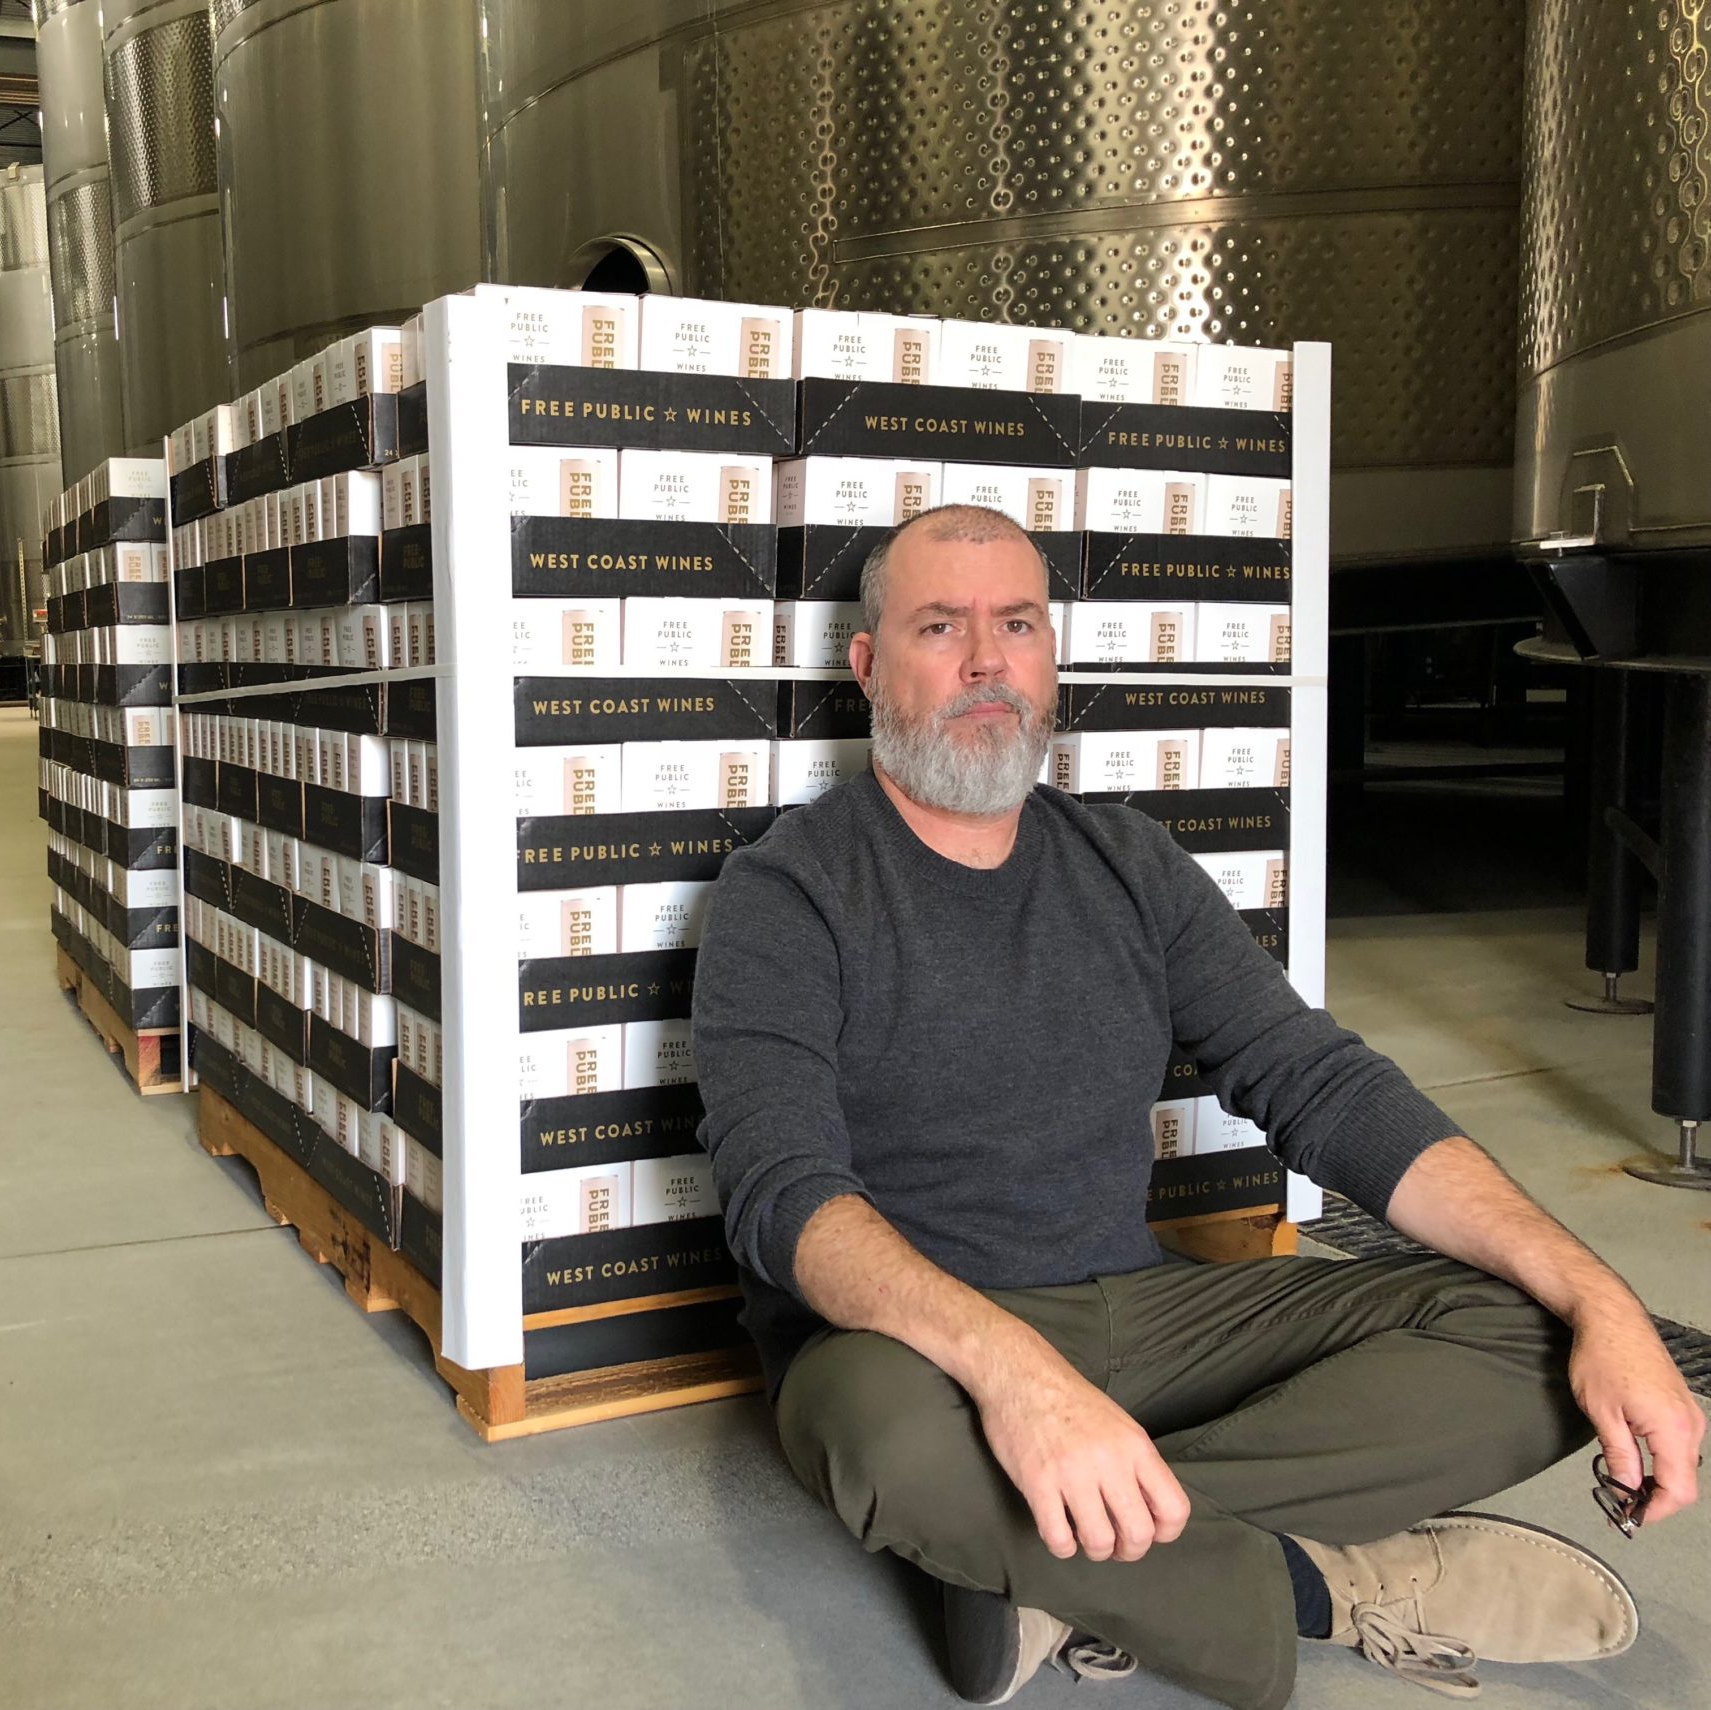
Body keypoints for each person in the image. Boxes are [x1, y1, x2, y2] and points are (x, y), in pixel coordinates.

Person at [690, 505, 1703, 1708]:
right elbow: (782, 1194)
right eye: (938, 626)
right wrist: (1017, 1379)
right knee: (884, 1442)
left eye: (1015, 623)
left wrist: (1600, 1298)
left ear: (1049, 653)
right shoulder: (786, 891)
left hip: (1150, 1313)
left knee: (1542, 1335)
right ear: (867, 669)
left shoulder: (1131, 864)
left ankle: (1039, 1566)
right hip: (916, 1350)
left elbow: (1322, 1085)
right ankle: (1329, 1585)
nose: (983, 661)